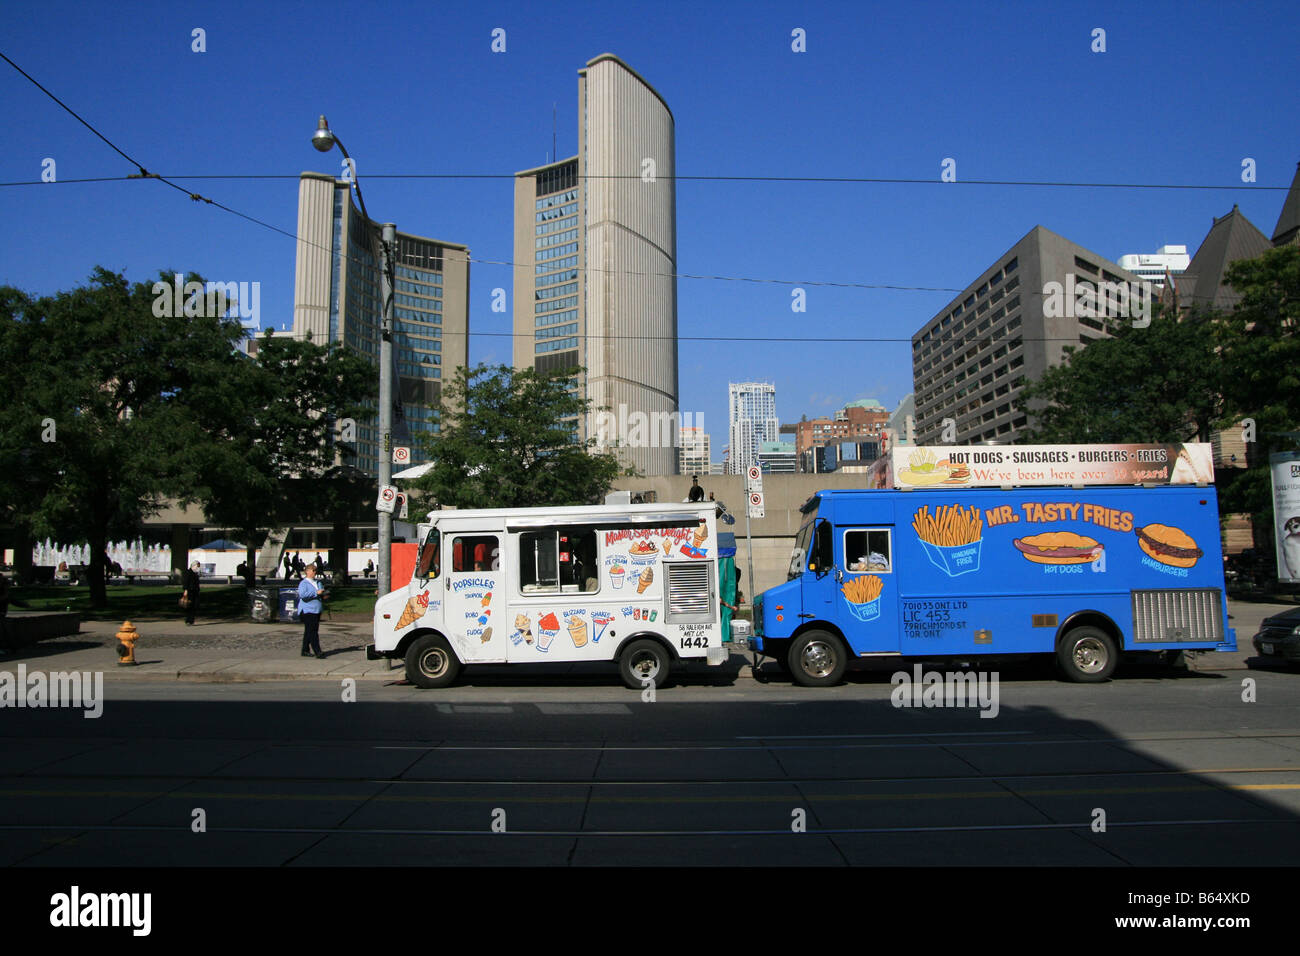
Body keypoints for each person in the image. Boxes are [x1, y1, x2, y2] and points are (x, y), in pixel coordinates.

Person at [297, 564, 328, 659]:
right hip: (307, 610)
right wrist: (316, 593)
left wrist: (324, 595)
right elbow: (303, 595)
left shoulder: (318, 582)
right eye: (312, 570)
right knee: (313, 631)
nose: (314, 572)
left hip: (316, 609)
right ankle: (318, 651)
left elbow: (321, 593)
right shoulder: (303, 583)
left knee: (309, 631)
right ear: (307, 571)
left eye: (315, 570)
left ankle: (305, 650)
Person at [181, 561, 200, 626]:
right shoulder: (188, 573)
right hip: (190, 591)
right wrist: (186, 590)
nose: (197, 568)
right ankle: (189, 620)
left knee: (194, 606)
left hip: (195, 591)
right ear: (193, 566)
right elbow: (186, 582)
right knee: (189, 605)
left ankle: (191, 620)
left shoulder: (195, 573)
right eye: (197, 566)